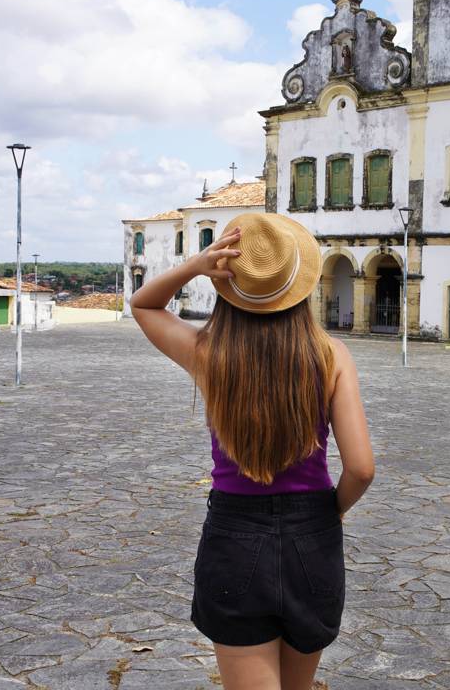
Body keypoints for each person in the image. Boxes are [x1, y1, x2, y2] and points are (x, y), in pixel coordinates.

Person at [131, 213, 374, 690]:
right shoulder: (331, 356)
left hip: (234, 537)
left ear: (231, 287)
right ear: (298, 286)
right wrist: (331, 513)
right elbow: (361, 469)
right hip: (313, 536)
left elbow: (145, 306)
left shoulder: (209, 353)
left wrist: (197, 265)